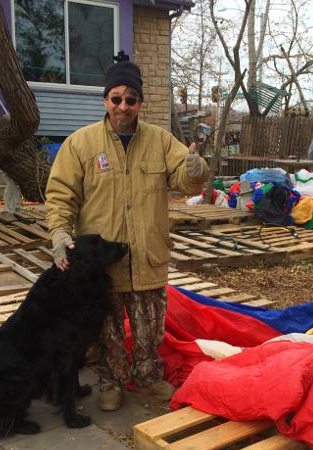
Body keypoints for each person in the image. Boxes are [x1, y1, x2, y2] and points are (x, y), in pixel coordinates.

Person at [44, 53, 209, 412]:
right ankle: (111, 379)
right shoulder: (81, 145)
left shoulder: (160, 141)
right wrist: (59, 233)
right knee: (107, 328)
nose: (123, 106)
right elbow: (60, 195)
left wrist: (196, 169)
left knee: (150, 327)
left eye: (130, 99)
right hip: (102, 263)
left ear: (140, 103)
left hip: (148, 253)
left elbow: (184, 176)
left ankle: (149, 376)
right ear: (106, 100)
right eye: (116, 98)